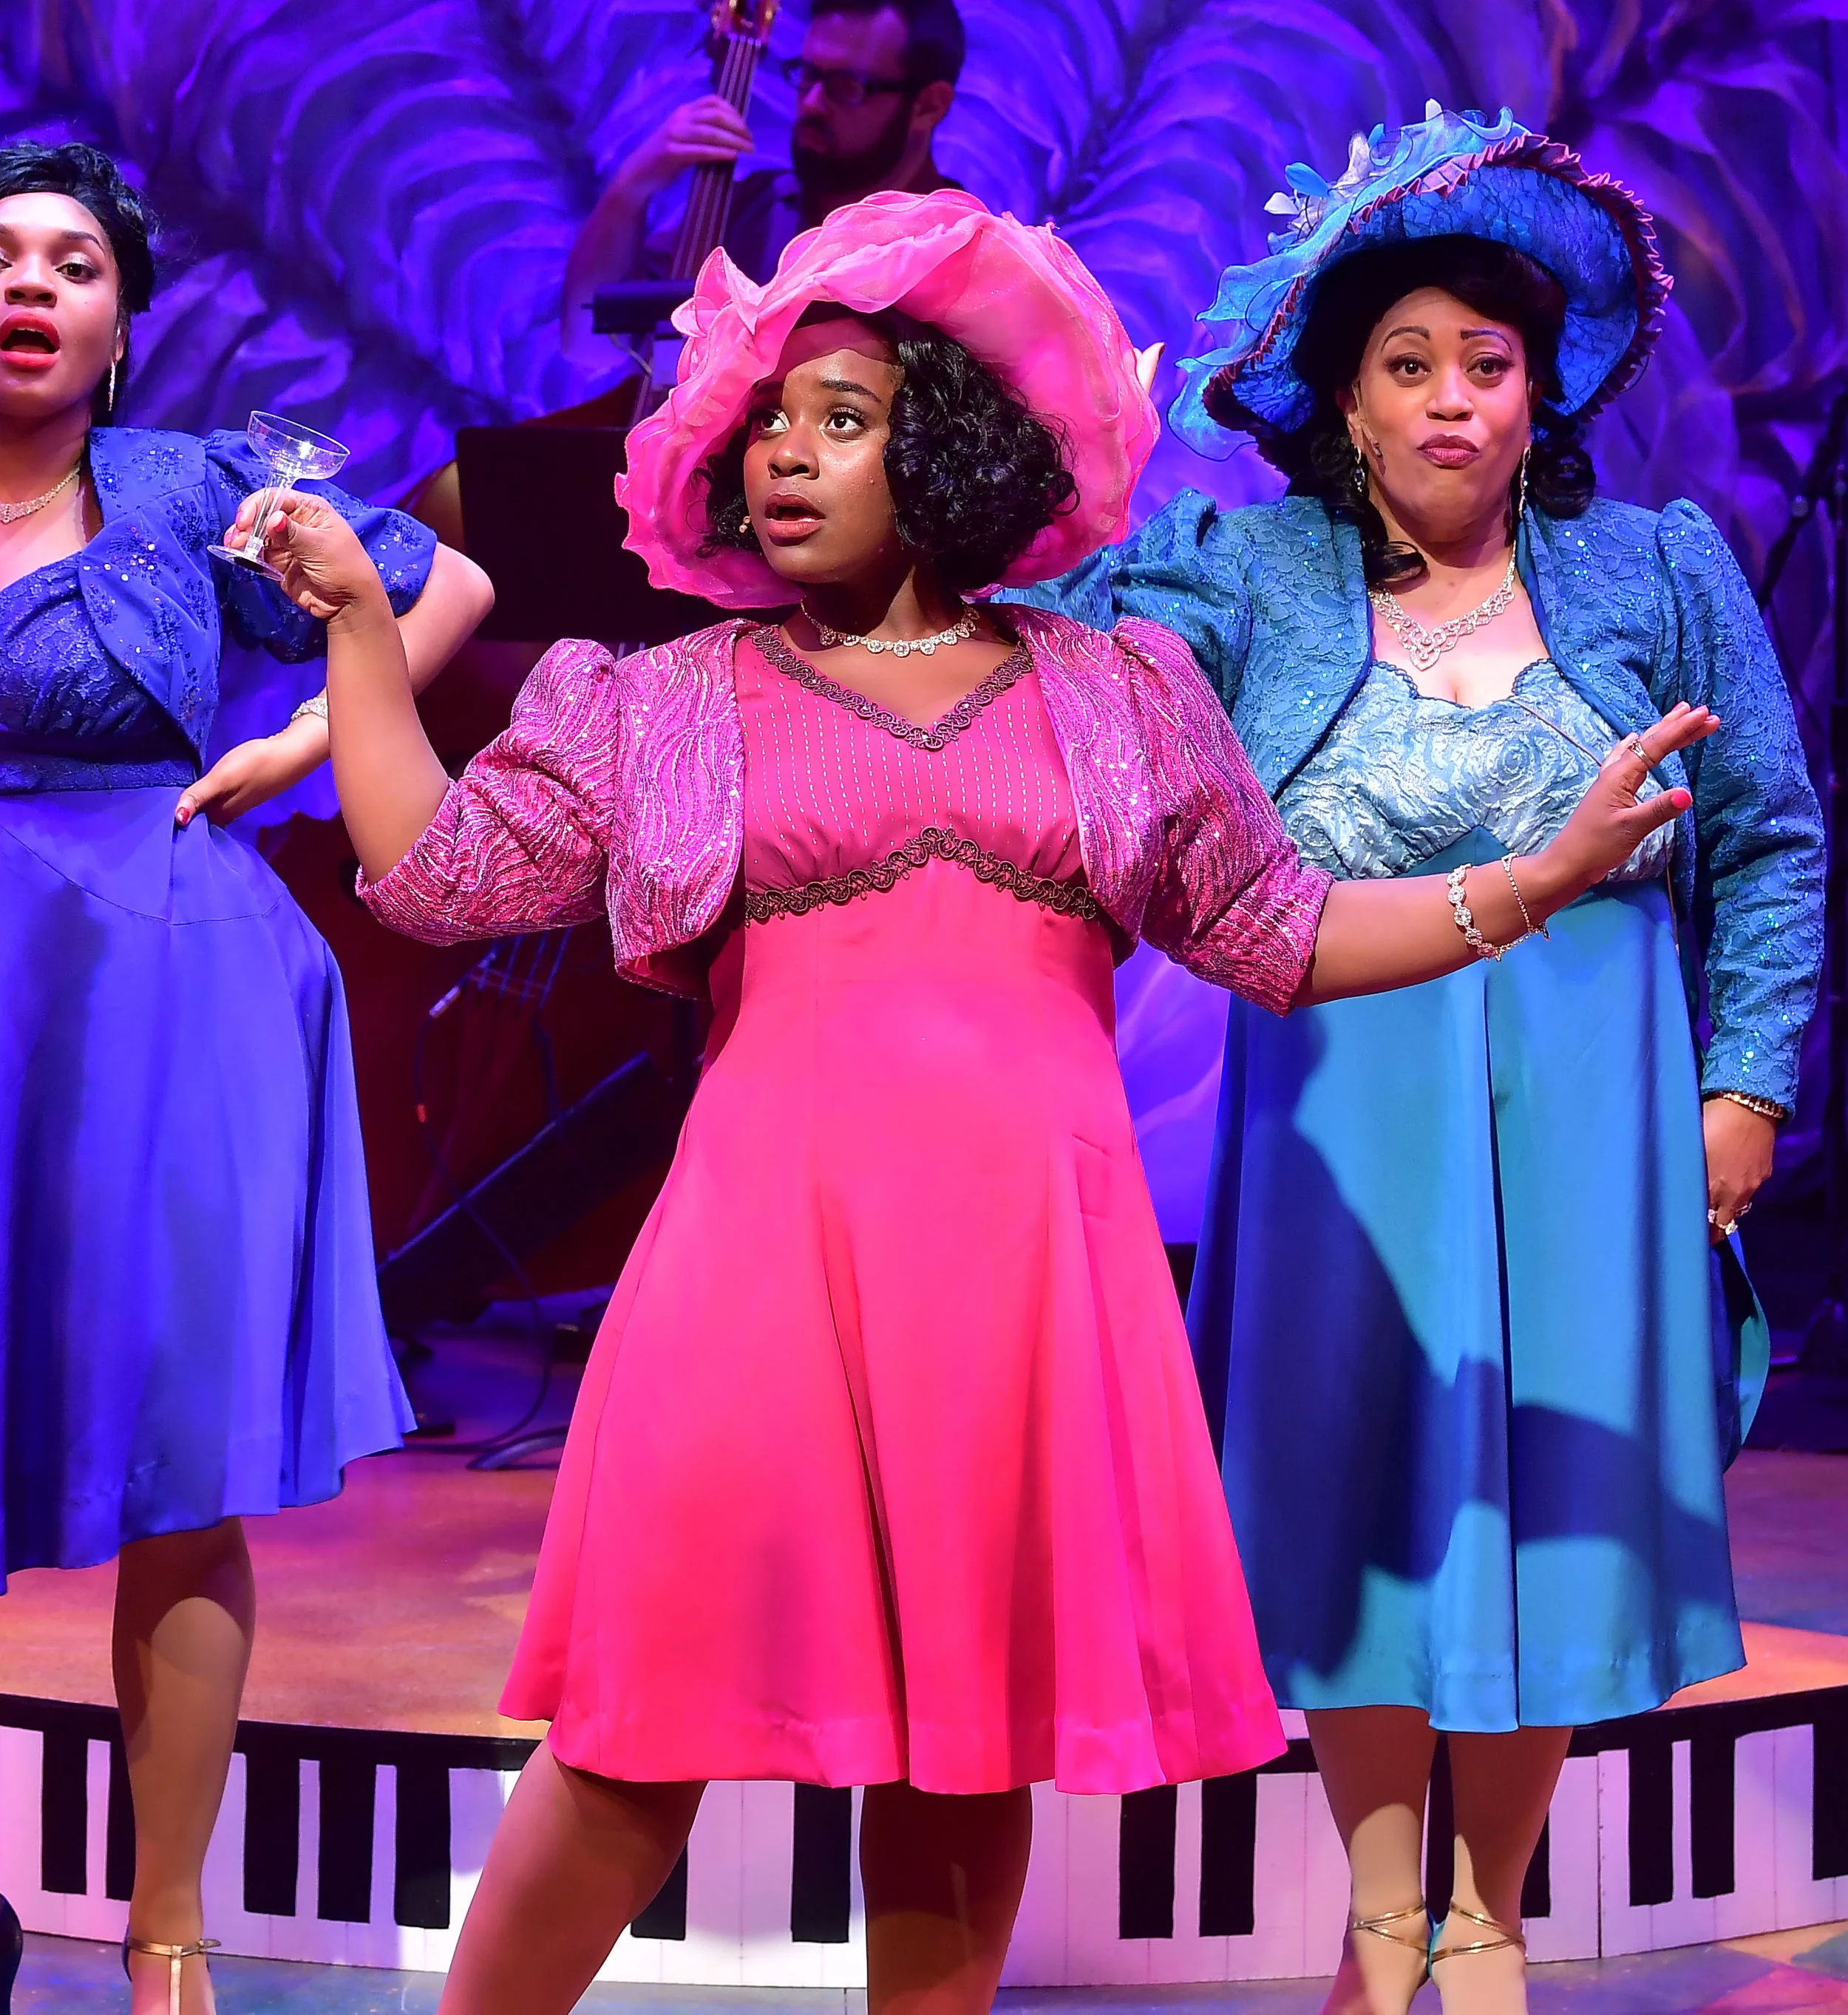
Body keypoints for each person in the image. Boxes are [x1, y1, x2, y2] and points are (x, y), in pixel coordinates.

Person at [245, 188, 1710, 2015]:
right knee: (637, 1727)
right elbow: (440, 874)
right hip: (763, 1263)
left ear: (940, 447)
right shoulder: (668, 699)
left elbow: (1280, 927)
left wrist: (1547, 875)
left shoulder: (1113, 690)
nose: (783, 454)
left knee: (963, 1744)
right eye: (766, 423)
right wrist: (369, 637)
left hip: (1028, 1280)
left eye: (839, 419)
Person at [1010, 106, 1826, 2015]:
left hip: (1596, 1089)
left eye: (1488, 363)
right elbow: (1052, 649)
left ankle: (1490, 1907)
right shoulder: (1254, 575)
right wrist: (1074, 462)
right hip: (1344, 1085)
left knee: (1546, 1496)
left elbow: (1773, 829)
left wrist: (1743, 1082)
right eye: (1407, 368)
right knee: (1359, 1475)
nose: (1453, 400)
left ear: (1538, 394)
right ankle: (1380, 1908)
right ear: (1344, 408)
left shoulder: (1655, 563)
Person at [0, 141, 492, 2015]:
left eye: (72, 263)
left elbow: (445, 580)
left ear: (122, 321)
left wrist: (297, 740)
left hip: (156, 972)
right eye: (0, 257)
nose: (30, 284)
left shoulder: (199, 488)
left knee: (172, 1463)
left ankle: (168, 1917)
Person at [560, 0, 964, 360]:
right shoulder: (748, 210)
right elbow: (587, 339)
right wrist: (631, 188)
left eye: (847, 87)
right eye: (808, 75)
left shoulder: (961, 246)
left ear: (929, 106)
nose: (811, 103)